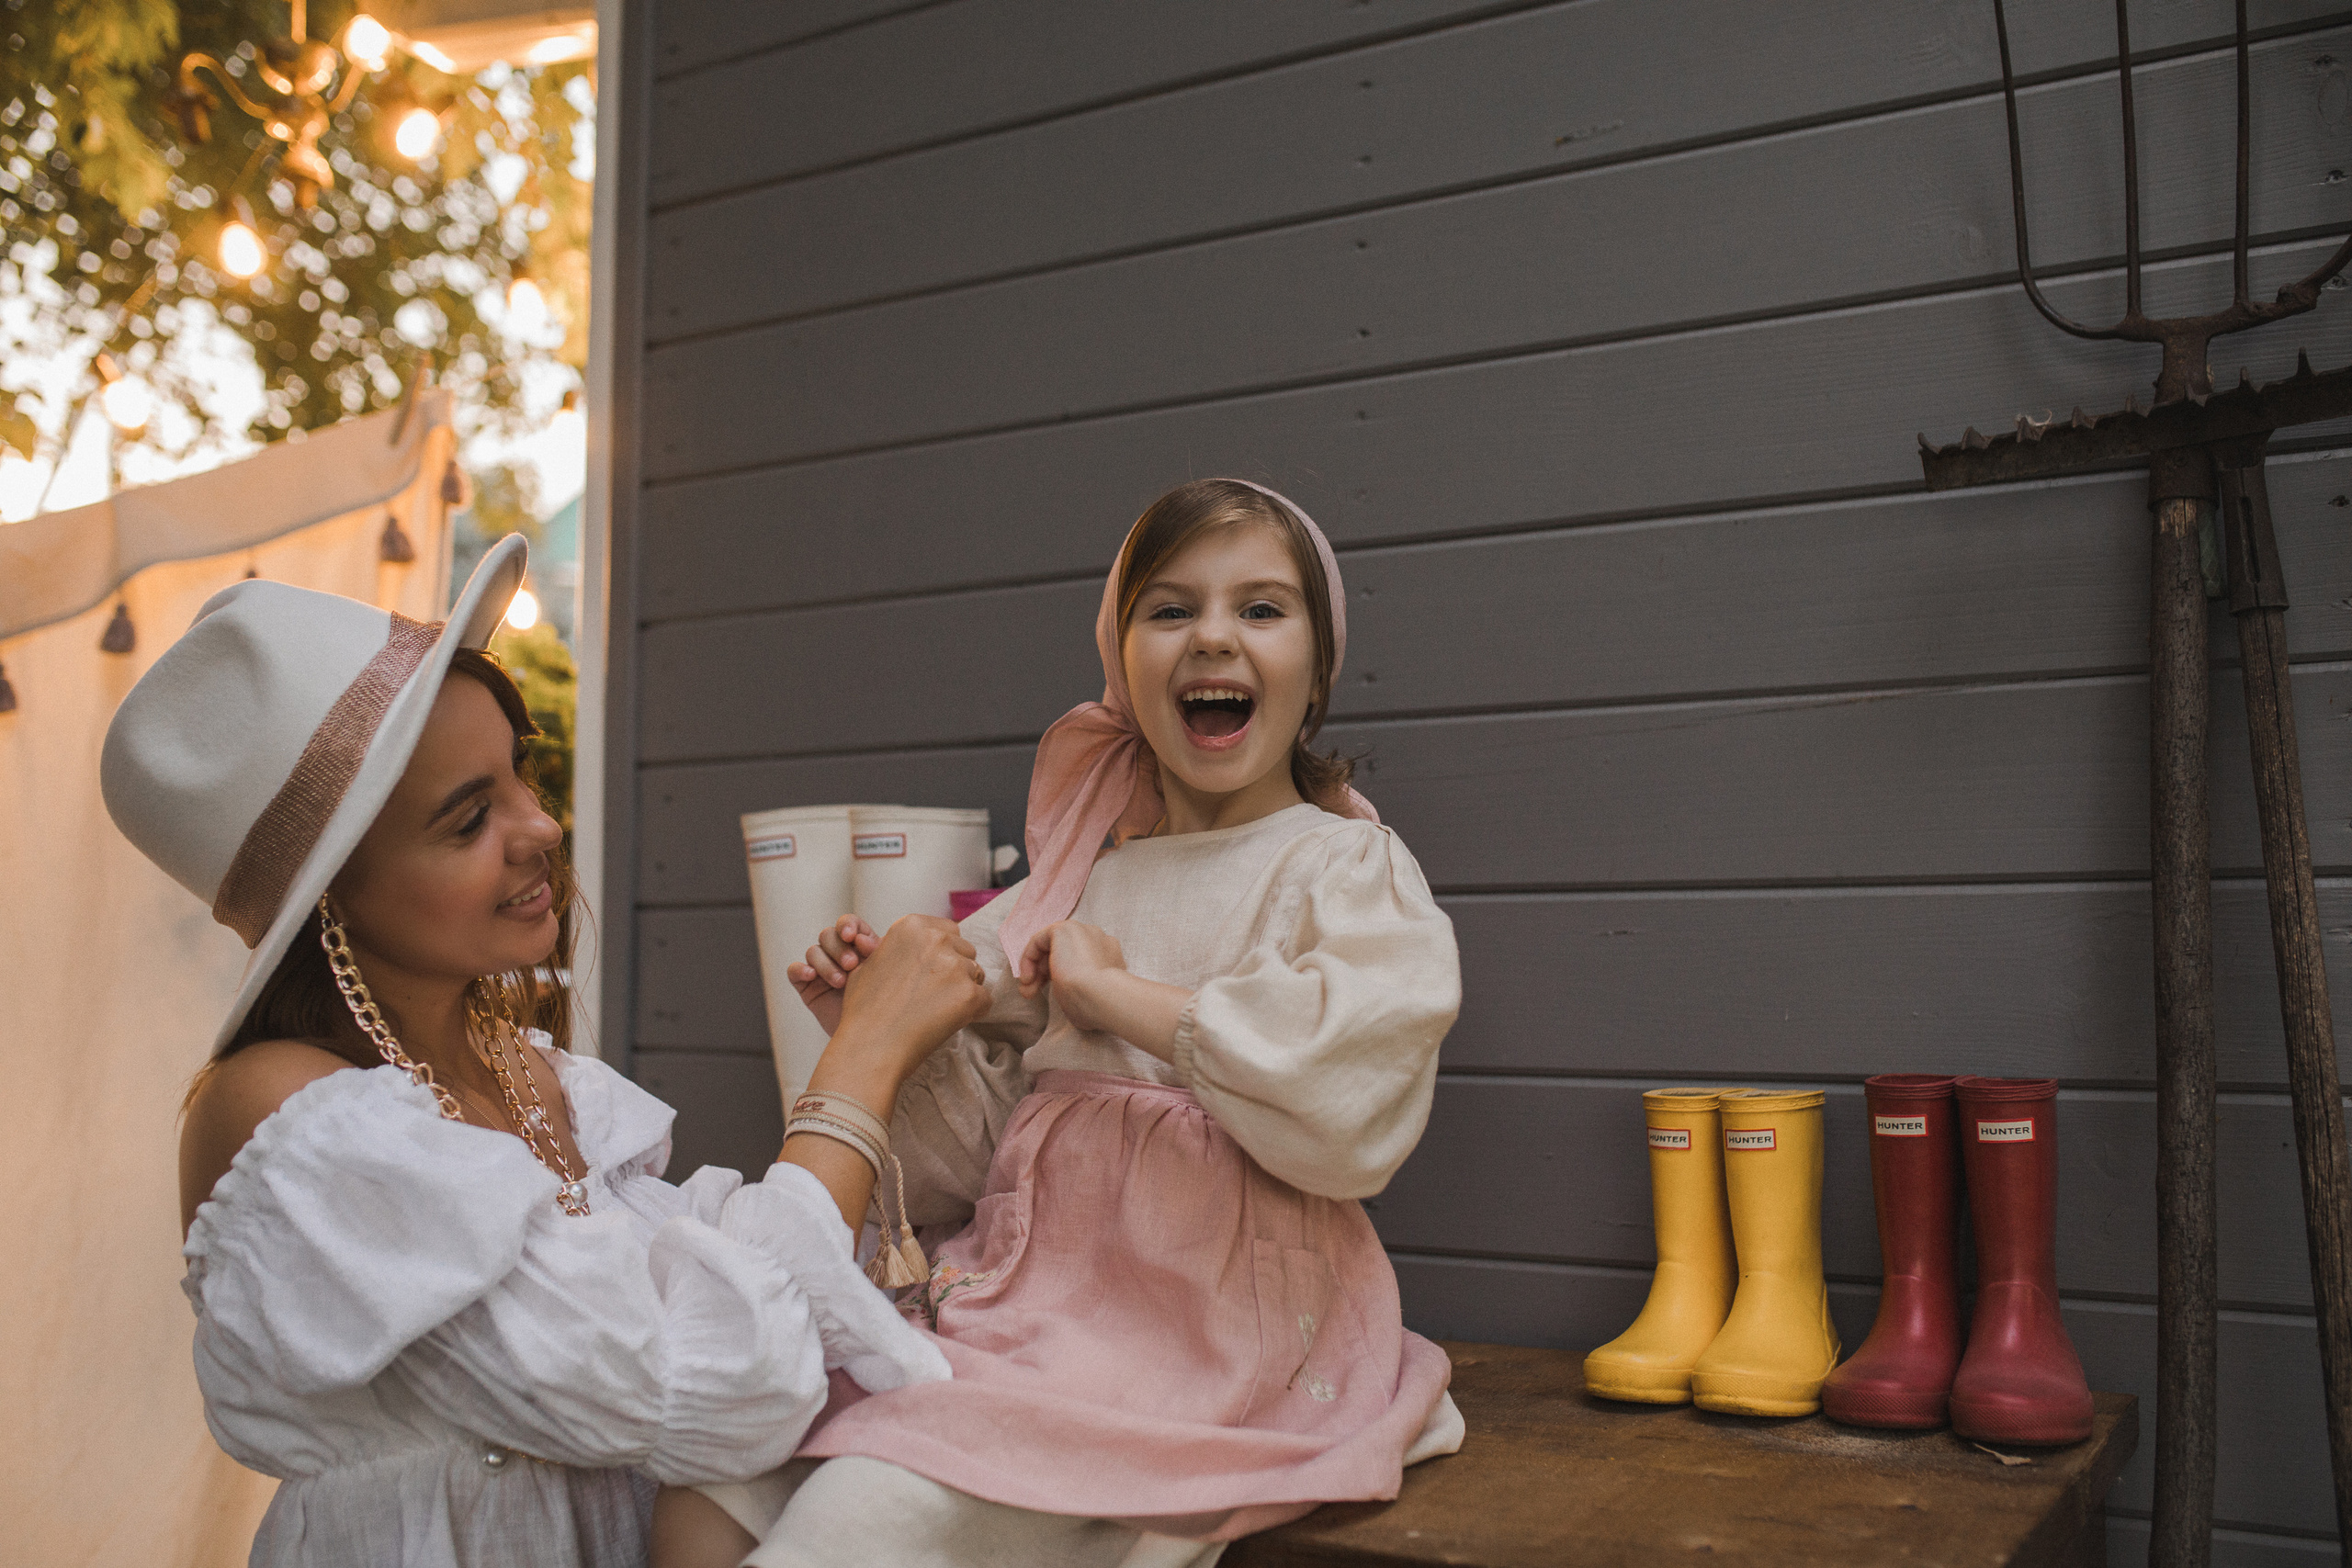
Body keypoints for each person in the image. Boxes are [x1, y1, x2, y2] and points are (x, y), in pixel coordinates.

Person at [104, 536, 988, 1568]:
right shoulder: (282, 1113)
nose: (542, 825)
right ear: (329, 899)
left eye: (518, 775)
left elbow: (750, 1288)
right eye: (470, 817)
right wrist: (856, 1074)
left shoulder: (546, 1079)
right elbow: (709, 1386)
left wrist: (882, 1060)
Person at [666, 479, 1465, 1568]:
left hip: (1198, 1334)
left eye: (1262, 610)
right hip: (1020, 1306)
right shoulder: (1071, 885)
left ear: (1318, 669)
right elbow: (960, 1168)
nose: (1213, 637)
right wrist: (892, 1038)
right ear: (1120, 661)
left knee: (865, 1516)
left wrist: (1115, 999)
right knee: (707, 1485)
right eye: (1170, 609)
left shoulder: (1341, 865)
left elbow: (1345, 1113)